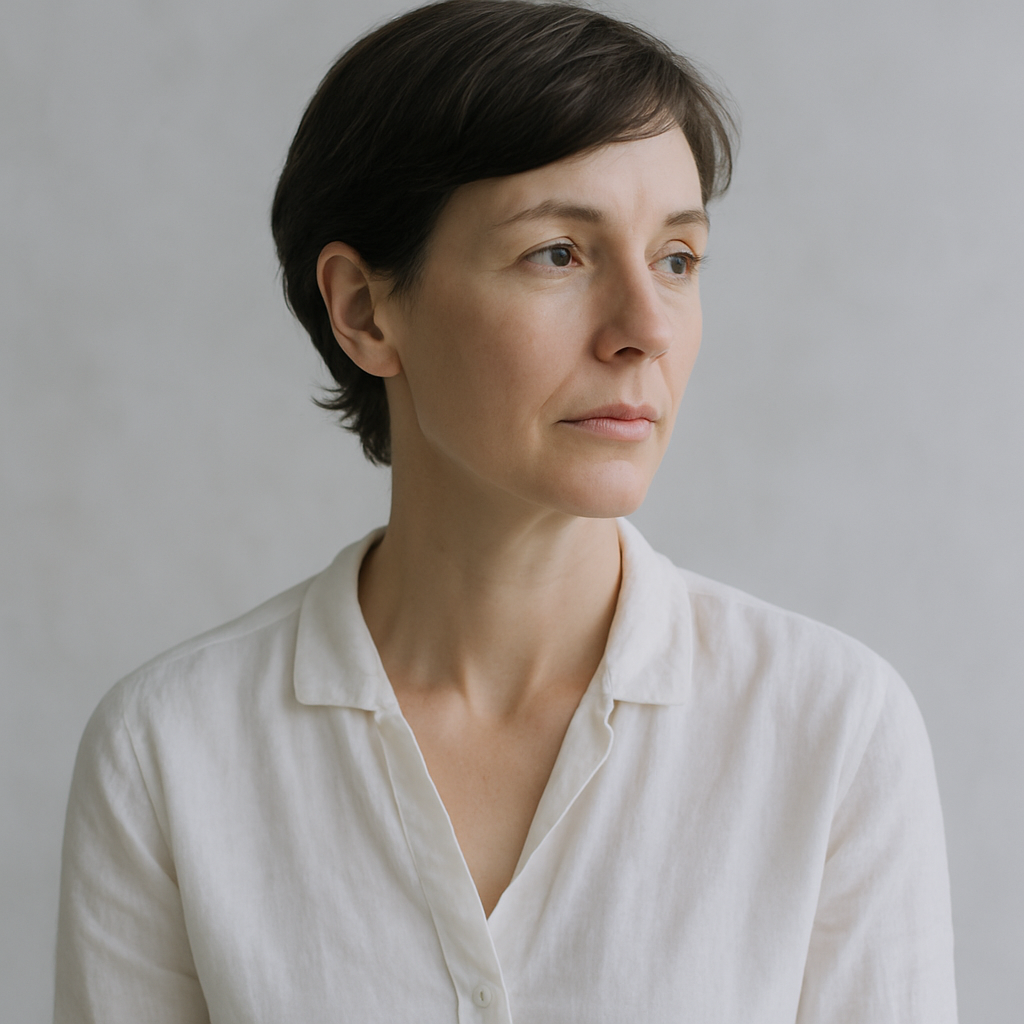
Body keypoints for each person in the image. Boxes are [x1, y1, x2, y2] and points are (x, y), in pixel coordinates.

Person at [54, 2, 958, 1021]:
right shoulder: (170, 752)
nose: (644, 329)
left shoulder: (828, 732)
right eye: (558, 254)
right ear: (363, 309)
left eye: (676, 258)